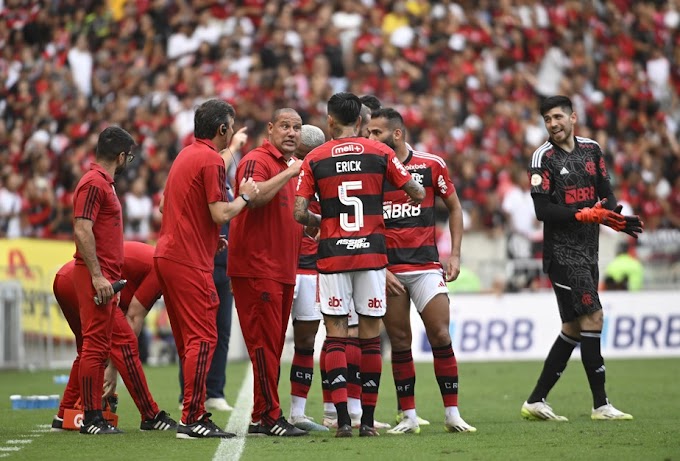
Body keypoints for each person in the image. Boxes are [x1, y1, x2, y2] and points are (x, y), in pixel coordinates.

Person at [294, 92, 425, 438]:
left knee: (335, 336)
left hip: (333, 254)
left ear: (330, 121)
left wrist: (319, 222)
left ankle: (341, 421)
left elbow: (297, 213)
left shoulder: (315, 157)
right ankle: (367, 421)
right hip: (372, 254)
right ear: (362, 122)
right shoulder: (381, 152)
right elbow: (417, 192)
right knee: (369, 338)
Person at [522, 95, 643, 421]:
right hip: (561, 255)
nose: (553, 124)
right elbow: (542, 210)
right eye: (547, 119)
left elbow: (606, 188)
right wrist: (581, 215)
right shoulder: (541, 158)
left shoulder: (591, 149)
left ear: (573, 117)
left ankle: (535, 401)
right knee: (594, 318)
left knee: (573, 328)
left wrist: (612, 213)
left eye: (558, 117)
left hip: (589, 251)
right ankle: (601, 405)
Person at [367, 107, 476, 435]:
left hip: (427, 267)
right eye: (369, 132)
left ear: (396, 134)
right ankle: (409, 416)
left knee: (441, 335)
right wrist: (377, 266)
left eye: (377, 133)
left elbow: (455, 207)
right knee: (400, 341)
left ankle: (452, 413)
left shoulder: (431, 164)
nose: (371, 138)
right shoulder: (371, 170)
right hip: (390, 270)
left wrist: (454, 254)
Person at [155, 99, 258, 439]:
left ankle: (192, 411)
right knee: (204, 336)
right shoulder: (212, 159)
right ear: (223, 129)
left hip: (169, 255)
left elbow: (165, 205)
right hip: (188, 260)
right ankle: (193, 417)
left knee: (190, 340)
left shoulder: (185, 154)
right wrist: (245, 196)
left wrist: (209, 237)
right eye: (231, 125)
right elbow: (220, 214)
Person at [228, 108, 308, 437]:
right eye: (285, 126)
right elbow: (254, 197)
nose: (291, 133)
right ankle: (272, 417)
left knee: (272, 345)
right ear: (271, 129)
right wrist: (291, 174)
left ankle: (262, 415)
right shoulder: (256, 161)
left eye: (297, 128)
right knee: (264, 344)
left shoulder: (286, 166)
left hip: (281, 268)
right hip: (258, 267)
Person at [51, 241, 177, 433]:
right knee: (125, 344)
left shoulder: (155, 258)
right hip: (87, 282)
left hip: (65, 279)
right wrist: (112, 369)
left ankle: (64, 415)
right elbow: (134, 318)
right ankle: (150, 415)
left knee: (87, 349)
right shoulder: (162, 266)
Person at [176, 126, 249, 413]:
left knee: (222, 331)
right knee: (196, 332)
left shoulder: (222, 179)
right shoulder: (205, 167)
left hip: (223, 261)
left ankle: (214, 391)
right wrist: (235, 145)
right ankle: (191, 392)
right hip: (199, 261)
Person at [70, 125, 135, 435]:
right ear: (121, 156)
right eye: (129, 157)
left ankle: (94, 414)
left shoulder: (101, 182)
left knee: (99, 345)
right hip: (96, 276)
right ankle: (91, 416)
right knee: (94, 347)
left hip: (105, 276)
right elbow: (82, 228)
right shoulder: (94, 183)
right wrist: (97, 276)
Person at [287, 124, 330, 432]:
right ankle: (266, 411)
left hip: (311, 268)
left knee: (306, 341)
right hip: (282, 265)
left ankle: (297, 413)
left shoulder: (325, 172)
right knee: (273, 341)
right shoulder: (278, 170)